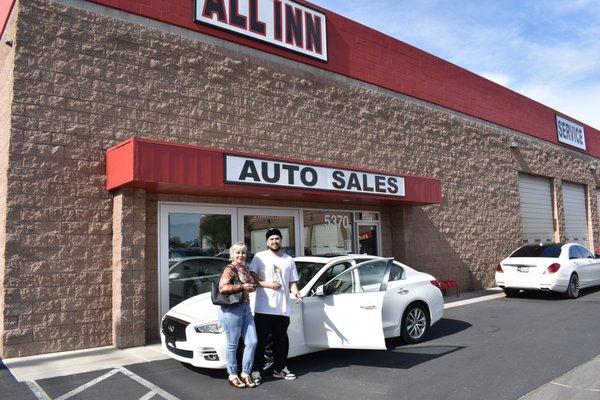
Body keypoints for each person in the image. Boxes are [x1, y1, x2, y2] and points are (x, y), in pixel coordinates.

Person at [250, 228, 302, 383]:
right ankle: (256, 371)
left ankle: (279, 369)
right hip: (264, 308)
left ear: (281, 240)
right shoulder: (260, 257)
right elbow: (252, 277)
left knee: (281, 341)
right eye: (271, 239)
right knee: (261, 341)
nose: (274, 241)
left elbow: (292, 281)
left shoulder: (288, 259)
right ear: (267, 242)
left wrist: (296, 292)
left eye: (277, 238)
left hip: (283, 309)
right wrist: (267, 284)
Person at [217, 242, 260, 388]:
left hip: (245, 308)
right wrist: (242, 286)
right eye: (238, 252)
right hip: (231, 310)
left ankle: (245, 373)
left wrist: (251, 286)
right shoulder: (230, 269)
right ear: (231, 254)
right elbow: (222, 287)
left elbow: (251, 286)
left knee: (252, 341)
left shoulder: (245, 269)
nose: (241, 255)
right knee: (233, 343)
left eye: (243, 253)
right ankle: (233, 374)